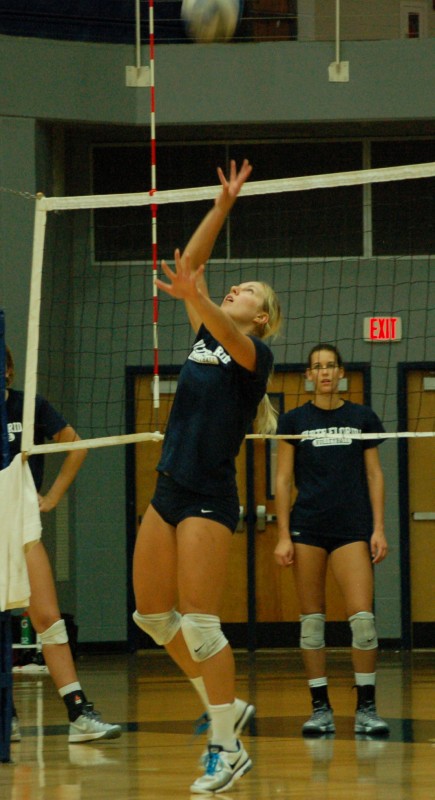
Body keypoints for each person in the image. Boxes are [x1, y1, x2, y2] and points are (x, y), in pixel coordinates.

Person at [132, 159, 281, 794]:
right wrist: (221, 208)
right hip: (169, 488)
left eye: (247, 290)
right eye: (235, 285)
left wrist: (196, 297)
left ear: (263, 317)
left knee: (198, 622)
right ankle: (224, 706)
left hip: (209, 499)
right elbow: (191, 270)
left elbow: (207, 308)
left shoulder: (255, 355)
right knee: (152, 618)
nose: (234, 291)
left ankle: (227, 747)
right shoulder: (205, 336)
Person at [5, 345, 122, 744]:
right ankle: (8, 714)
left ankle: (78, 713)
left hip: (21, 523)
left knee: (49, 619)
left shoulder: (28, 407)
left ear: (8, 370)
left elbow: (78, 445)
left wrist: (52, 496)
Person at [274, 343, 390, 737]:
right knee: (312, 624)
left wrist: (378, 528)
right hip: (308, 528)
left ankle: (367, 708)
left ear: (341, 373)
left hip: (351, 529)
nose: (324, 372)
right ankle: (320, 708)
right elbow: (283, 480)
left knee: (363, 621)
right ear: (309, 375)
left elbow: (375, 475)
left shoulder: (362, 418)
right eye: (317, 367)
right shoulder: (294, 420)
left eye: (330, 366)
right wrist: (283, 536)